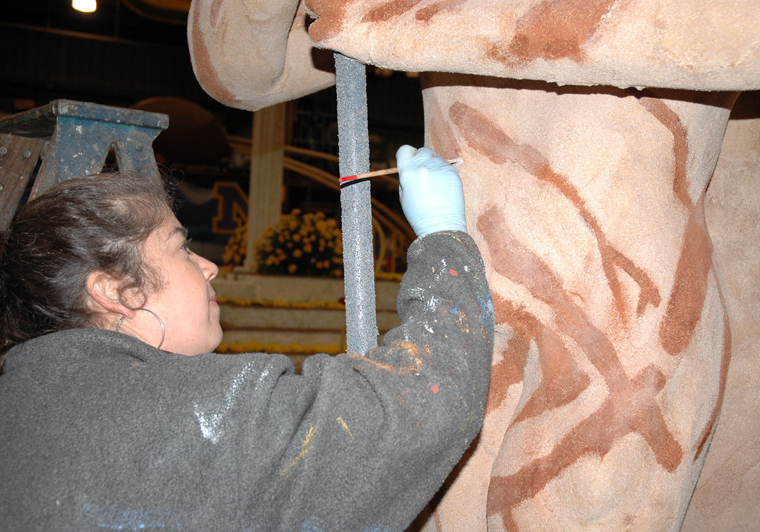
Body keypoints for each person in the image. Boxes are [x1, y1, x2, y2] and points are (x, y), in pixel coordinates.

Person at [0, 146, 494, 531]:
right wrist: (442, 238)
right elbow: (418, 406)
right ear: (117, 291)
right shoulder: (203, 416)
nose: (209, 266)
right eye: (182, 248)